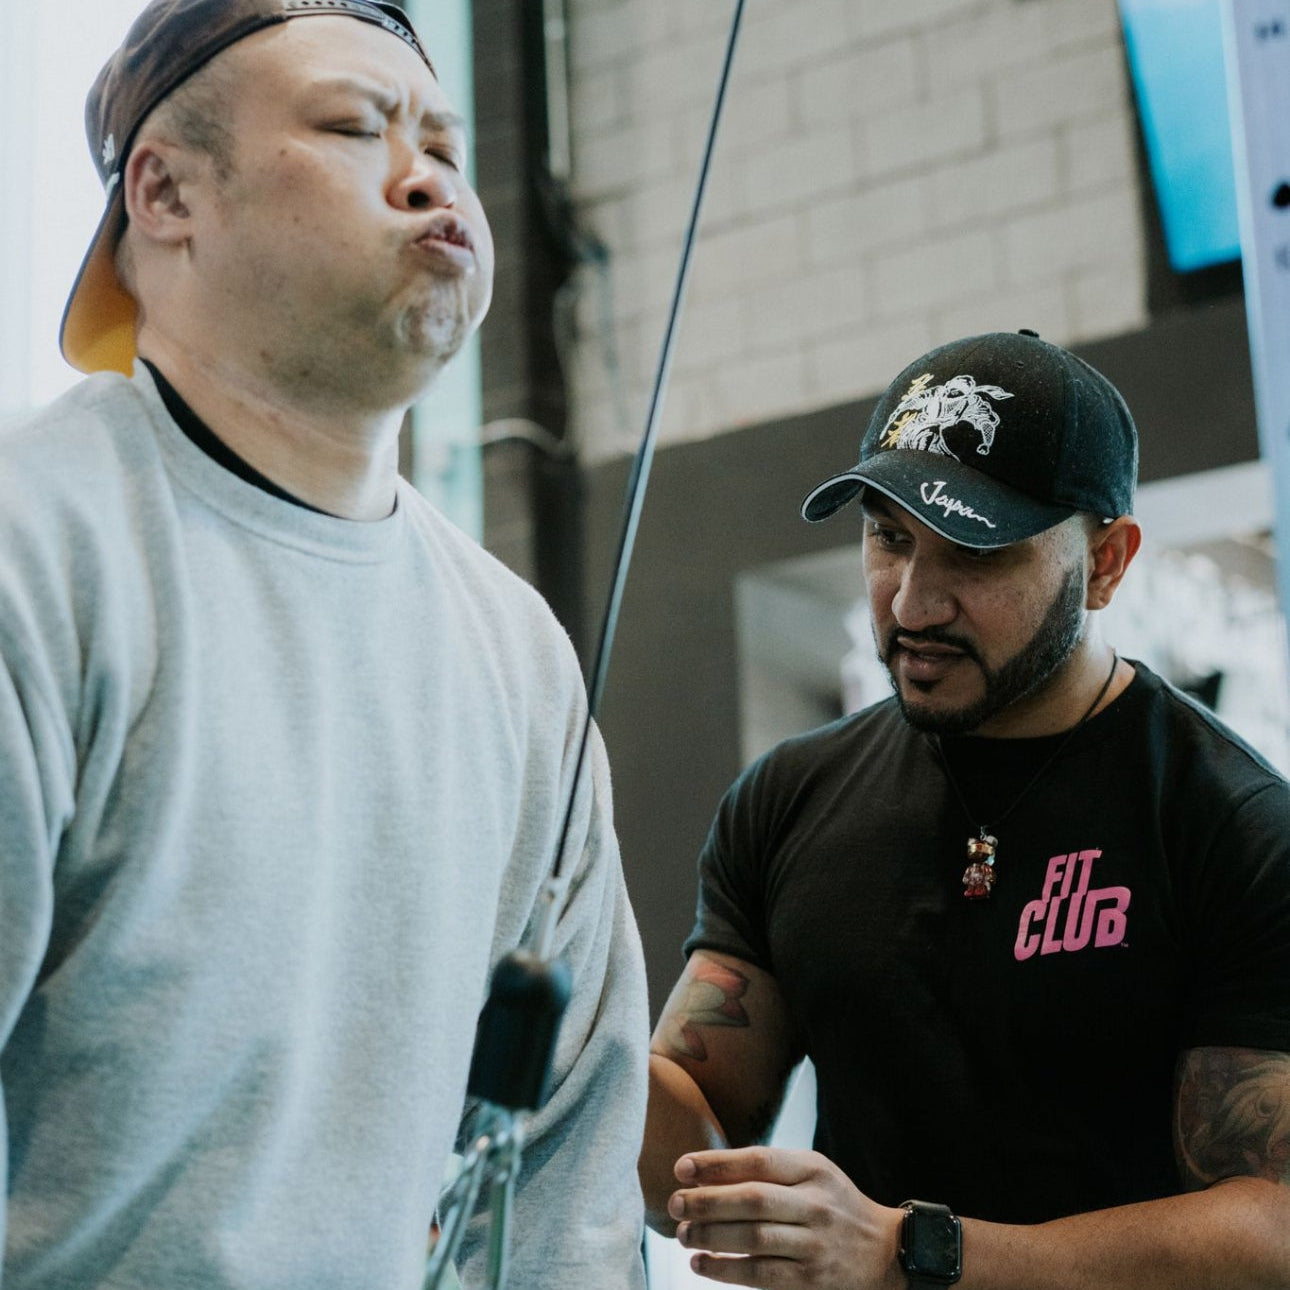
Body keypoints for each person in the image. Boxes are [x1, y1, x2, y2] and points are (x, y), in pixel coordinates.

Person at [0, 2, 648, 1287]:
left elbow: (567, 1171)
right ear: (167, 193)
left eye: (446, 147)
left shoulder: (514, 652)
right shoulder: (39, 552)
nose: (428, 177)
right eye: (356, 127)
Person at [641, 330, 1290, 1288]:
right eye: (889, 537)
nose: (912, 604)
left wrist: (914, 1253)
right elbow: (689, 1146)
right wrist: (560, 1032)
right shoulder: (786, 800)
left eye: (975, 554)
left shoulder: (1229, 823)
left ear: (1106, 562)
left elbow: (1271, 1225)